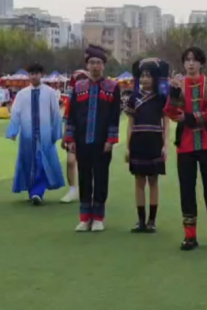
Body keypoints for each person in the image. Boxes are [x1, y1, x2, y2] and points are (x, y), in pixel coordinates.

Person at [164, 46, 207, 251]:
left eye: (194, 60)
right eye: (187, 60)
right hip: (185, 147)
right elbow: (170, 112)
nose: (191, 63)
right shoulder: (179, 85)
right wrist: (173, 91)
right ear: (184, 63)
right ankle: (190, 236)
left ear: (201, 63)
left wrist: (188, 118)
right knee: (187, 191)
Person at [64, 48, 121, 231]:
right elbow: (71, 115)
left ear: (103, 66)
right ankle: (84, 218)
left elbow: (114, 116)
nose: (95, 66)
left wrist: (111, 140)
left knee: (101, 179)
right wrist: (70, 138)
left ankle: (98, 218)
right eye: (92, 63)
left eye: (98, 63)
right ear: (87, 65)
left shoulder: (113, 87)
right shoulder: (78, 88)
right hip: (81, 141)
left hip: (102, 142)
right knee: (84, 178)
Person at [7, 64, 66, 205]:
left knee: (42, 161)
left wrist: (56, 132)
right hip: (27, 135)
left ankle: (38, 192)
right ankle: (32, 190)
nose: (34, 76)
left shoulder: (50, 93)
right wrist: (13, 131)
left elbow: (55, 113)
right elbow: (15, 112)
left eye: (36, 73)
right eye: (31, 73)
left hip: (44, 135)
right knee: (28, 162)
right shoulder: (22, 94)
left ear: (42, 75)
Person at [124, 58, 170, 233]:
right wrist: (127, 147)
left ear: (155, 78)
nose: (145, 79)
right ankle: (141, 220)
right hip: (138, 142)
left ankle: (152, 220)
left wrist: (166, 144)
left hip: (155, 142)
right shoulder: (133, 98)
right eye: (142, 76)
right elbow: (130, 124)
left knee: (153, 181)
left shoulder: (161, 98)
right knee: (139, 181)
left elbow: (166, 123)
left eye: (148, 76)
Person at [59, 69, 88, 204]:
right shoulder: (72, 98)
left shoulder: (94, 96)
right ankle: (72, 189)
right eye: (77, 80)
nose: (80, 82)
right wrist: (65, 137)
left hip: (90, 134)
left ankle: (87, 190)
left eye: (83, 79)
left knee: (87, 164)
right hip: (74, 133)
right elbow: (67, 118)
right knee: (71, 162)